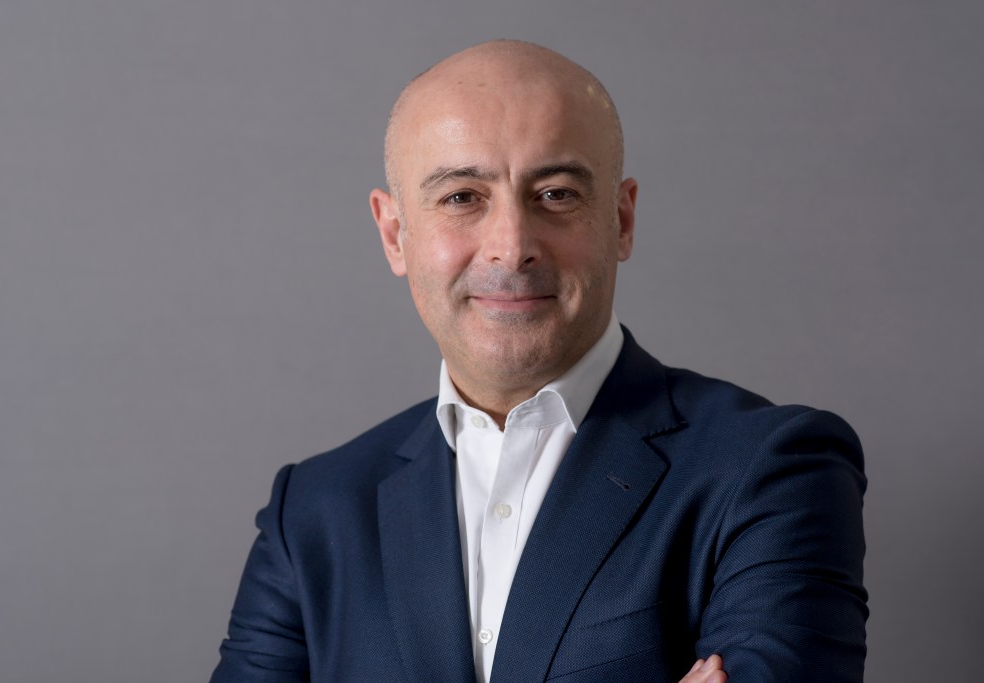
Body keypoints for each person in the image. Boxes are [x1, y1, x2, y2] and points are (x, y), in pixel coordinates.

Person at [210, 40, 867, 683]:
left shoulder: (772, 469)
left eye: (555, 194)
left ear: (621, 219)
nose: (512, 245)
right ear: (394, 233)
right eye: (462, 196)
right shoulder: (312, 512)